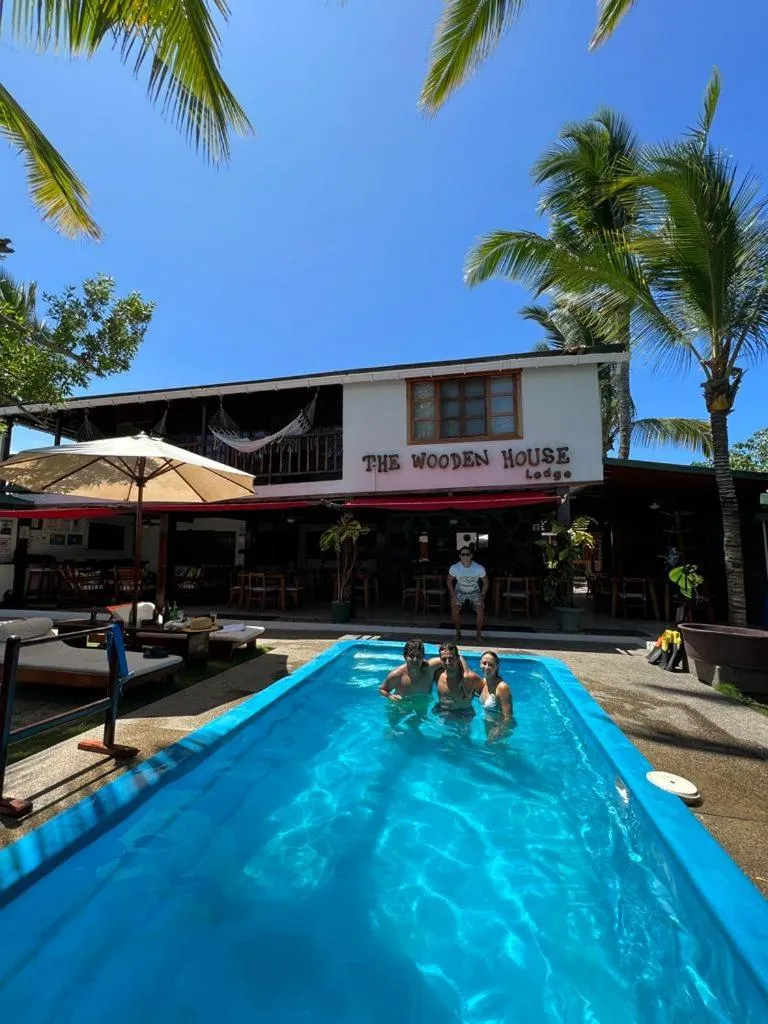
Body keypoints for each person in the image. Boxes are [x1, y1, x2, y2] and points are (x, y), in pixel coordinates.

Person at [447, 546, 489, 642]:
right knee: (454, 608)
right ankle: (458, 633)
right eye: (463, 554)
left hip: (474, 590)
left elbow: (486, 582)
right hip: (460, 589)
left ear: (471, 556)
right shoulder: (454, 568)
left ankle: (478, 635)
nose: (465, 556)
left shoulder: (479, 568)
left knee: (480, 610)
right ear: (459, 556)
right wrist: (453, 595)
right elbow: (449, 581)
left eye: (467, 554)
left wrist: (482, 596)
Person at [379, 638, 440, 705]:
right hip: (401, 706)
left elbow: (446, 659)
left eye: (418, 656)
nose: (415, 659)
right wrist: (390, 696)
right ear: (405, 657)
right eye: (411, 656)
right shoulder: (397, 675)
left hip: (421, 706)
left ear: (423, 657)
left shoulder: (430, 668)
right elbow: (382, 690)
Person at [433, 641, 482, 716]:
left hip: (465, 715)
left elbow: (486, 694)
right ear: (440, 659)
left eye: (451, 658)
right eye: (444, 659)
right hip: (444, 713)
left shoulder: (472, 678)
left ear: (457, 658)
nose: (447, 662)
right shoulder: (437, 675)